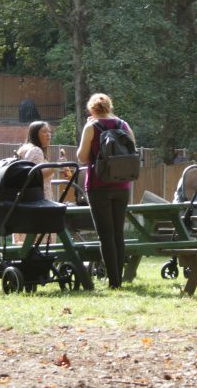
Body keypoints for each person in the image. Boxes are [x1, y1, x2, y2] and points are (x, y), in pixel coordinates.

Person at [76, 93, 134, 289]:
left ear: (91, 109)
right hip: (122, 185)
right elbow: (133, 150)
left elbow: (82, 157)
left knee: (105, 235)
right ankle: (119, 279)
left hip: (98, 186)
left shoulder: (91, 127)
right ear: (109, 107)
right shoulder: (123, 125)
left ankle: (114, 282)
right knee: (118, 234)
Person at [16, 120, 55, 200]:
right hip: (40, 201)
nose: (48, 135)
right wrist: (57, 166)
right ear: (35, 134)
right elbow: (38, 175)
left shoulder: (23, 148)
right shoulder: (36, 150)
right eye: (44, 131)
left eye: (49, 132)